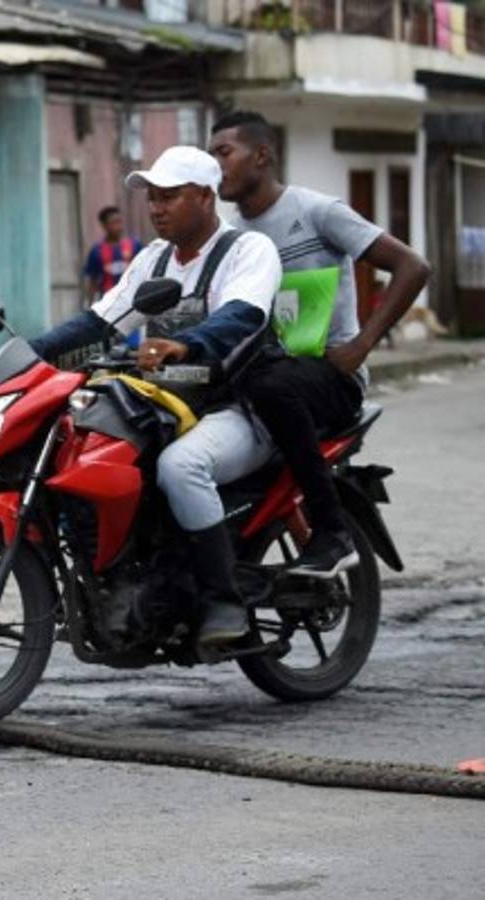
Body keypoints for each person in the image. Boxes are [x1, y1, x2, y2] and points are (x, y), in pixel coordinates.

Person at [31, 146, 282, 648]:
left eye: (169, 196)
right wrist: (26, 353)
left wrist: (187, 343)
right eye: (153, 198)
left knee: (180, 468)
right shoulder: (154, 259)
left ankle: (223, 601)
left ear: (207, 197)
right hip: (169, 406)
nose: (157, 208)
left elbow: (243, 316)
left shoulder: (248, 251)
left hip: (238, 409)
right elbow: (101, 320)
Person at [208, 110, 430, 576]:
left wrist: (362, 345)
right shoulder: (232, 238)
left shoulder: (316, 211)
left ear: (262, 155)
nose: (215, 165)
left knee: (270, 386)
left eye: (224, 152)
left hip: (330, 375)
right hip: (265, 373)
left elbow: (412, 266)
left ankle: (332, 531)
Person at [83, 205, 142, 305]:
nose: (118, 226)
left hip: (132, 300)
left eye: (119, 221)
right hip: (108, 302)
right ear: (104, 225)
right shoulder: (96, 251)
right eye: (113, 223)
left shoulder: (134, 245)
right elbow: (92, 281)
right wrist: (89, 304)